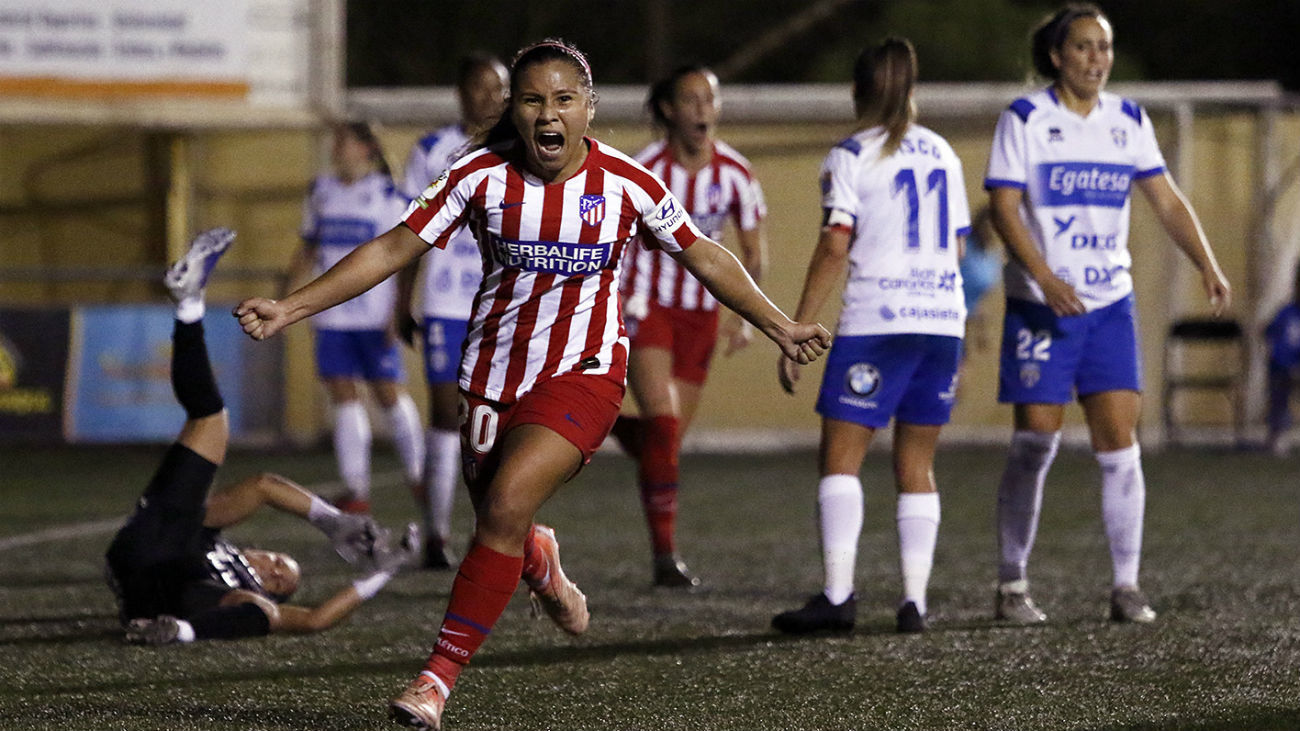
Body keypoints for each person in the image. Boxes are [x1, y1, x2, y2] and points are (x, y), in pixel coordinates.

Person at [234, 38, 830, 731]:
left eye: (564, 99)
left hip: (585, 373)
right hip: (490, 376)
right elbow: (395, 247)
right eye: (533, 99)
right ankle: (539, 559)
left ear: (589, 109)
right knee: (502, 521)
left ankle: (435, 681)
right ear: (514, 111)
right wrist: (291, 306)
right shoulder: (478, 174)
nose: (550, 113)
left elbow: (703, 252)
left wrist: (781, 323)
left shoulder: (626, 183)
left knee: (506, 504)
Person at [984, 3, 1230, 626]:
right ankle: (1012, 583)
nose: (1097, 59)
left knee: (1120, 442)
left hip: (1108, 304)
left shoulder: (1128, 120)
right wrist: (1043, 277)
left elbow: (1167, 201)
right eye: (1085, 47)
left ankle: (1126, 585)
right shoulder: (1026, 119)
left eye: (1105, 47)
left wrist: (1207, 261)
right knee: (1036, 439)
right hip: (1041, 308)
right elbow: (1005, 208)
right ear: (1058, 57)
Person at [105, 228, 418, 646]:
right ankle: (189, 304)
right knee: (210, 419)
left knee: (261, 612)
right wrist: (334, 521)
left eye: (278, 581)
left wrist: (382, 573)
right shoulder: (209, 536)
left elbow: (315, 620)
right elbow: (263, 487)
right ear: (256, 549)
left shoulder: (239, 591)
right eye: (277, 563)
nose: (272, 571)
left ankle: (179, 631)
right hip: (153, 537)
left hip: (157, 595)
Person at [770, 37, 971, 636]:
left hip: (879, 321)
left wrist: (795, 324)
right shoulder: (944, 153)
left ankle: (838, 596)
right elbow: (958, 246)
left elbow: (836, 243)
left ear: (857, 92)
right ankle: (914, 603)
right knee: (917, 464)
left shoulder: (851, 155)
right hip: (941, 319)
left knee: (841, 461)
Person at [608, 63, 768, 589]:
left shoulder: (737, 174)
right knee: (665, 422)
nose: (703, 109)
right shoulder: (643, 166)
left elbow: (753, 253)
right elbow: (617, 238)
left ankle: (602, 421)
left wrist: (745, 318)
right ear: (670, 110)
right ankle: (665, 556)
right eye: (691, 100)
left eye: (710, 99)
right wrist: (619, 297)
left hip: (700, 314)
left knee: (665, 442)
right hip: (645, 306)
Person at [395, 54, 510, 569]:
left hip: (505, 301)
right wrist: (401, 301)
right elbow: (409, 235)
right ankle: (437, 536)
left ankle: (497, 532)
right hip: (445, 302)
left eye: (500, 89)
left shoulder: (521, 147)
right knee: (447, 415)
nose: (491, 98)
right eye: (481, 88)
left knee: (501, 421)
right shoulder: (431, 151)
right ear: (461, 93)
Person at [286, 121, 426, 515]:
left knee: (387, 394)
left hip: (373, 313)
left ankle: (419, 476)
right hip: (331, 316)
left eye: (343, 143)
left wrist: (397, 311)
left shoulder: (387, 194)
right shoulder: (321, 191)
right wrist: (287, 298)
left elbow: (401, 255)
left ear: (365, 149)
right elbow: (309, 247)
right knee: (343, 396)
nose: (336, 150)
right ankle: (357, 491)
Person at [1264, 261, 1300, 455]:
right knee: (1279, 380)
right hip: (1284, 367)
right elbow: (1269, 333)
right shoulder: (1286, 313)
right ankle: (1278, 431)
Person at [959, 205, 1003, 353]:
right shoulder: (963, 248)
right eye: (988, 226)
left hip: (967, 322)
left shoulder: (994, 256)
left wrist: (983, 330)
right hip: (944, 319)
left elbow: (978, 298)